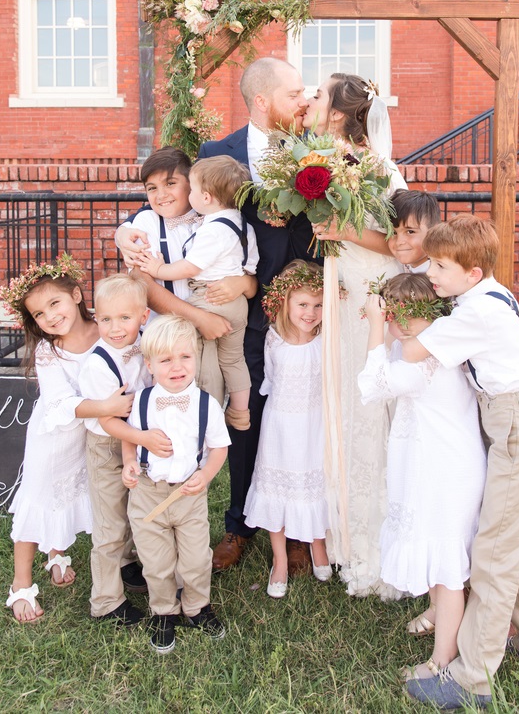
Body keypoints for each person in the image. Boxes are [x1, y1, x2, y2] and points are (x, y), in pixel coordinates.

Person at [400, 215, 519, 709]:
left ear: (471, 272)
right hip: (514, 418)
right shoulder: (486, 293)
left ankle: (471, 677)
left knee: (492, 553)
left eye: (440, 266)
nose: (431, 273)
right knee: (515, 539)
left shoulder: (474, 313)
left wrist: (386, 312)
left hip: (516, 426)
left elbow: (411, 353)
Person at [197, 57, 317, 574]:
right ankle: (240, 523)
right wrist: (127, 232)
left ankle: (297, 526)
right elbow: (179, 210)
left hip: (302, 316)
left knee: (301, 418)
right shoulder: (215, 153)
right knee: (245, 420)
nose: (305, 102)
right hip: (242, 316)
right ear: (264, 100)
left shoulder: (317, 153)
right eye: (295, 94)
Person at [303, 73, 405, 599]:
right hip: (340, 301)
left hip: (370, 305)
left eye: (319, 95)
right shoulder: (316, 162)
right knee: (342, 413)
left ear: (340, 114)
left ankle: (380, 548)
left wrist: (341, 231)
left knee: (370, 419)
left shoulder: (379, 170)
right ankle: (345, 537)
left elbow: (402, 243)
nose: (309, 100)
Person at [358, 273, 486, 685]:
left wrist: (375, 328)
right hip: (435, 461)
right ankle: (439, 616)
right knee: (437, 552)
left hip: (443, 470)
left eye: (392, 316)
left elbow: (373, 385)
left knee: (447, 567)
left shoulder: (422, 358)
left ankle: (443, 661)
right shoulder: (429, 341)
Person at [0, 255, 132, 623]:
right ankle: (20, 585)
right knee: (41, 500)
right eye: (39, 314)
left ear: (76, 295)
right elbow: (61, 402)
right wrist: (107, 404)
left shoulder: (106, 330)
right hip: (53, 440)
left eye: (54, 303)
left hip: (89, 439)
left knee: (74, 493)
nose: (50, 317)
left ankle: (57, 553)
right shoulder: (49, 350)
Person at [121, 315, 230, 654]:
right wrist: (128, 462)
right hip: (148, 493)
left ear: (196, 359)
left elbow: (219, 447)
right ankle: (164, 611)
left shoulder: (205, 404)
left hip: (188, 494)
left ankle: (197, 606)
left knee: (196, 558)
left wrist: (206, 474)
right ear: (150, 365)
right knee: (156, 561)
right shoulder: (142, 401)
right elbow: (131, 437)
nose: (177, 367)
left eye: (185, 357)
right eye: (166, 360)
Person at [114, 145, 256, 404]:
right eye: (152, 188)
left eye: (170, 183)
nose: (161, 195)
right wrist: (199, 318)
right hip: (167, 334)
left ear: (193, 187)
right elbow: (143, 285)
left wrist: (244, 282)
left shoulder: (211, 217)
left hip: (214, 331)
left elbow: (245, 270)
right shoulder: (145, 223)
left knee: (210, 395)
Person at [79, 273, 173, 627]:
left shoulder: (147, 343)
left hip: (137, 439)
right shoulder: (98, 364)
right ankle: (106, 601)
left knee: (136, 507)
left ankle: (127, 562)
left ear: (143, 317)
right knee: (110, 523)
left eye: (124, 318)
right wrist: (144, 438)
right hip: (108, 446)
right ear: (96, 318)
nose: (115, 328)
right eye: (105, 319)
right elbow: (108, 421)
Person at [244, 261, 331, 597]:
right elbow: (269, 381)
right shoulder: (274, 339)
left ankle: (318, 544)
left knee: (316, 484)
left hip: (314, 425)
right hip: (280, 426)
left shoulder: (326, 339)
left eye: (318, 305)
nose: (310, 313)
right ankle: (279, 559)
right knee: (278, 488)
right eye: (303, 304)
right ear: (286, 303)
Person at [388, 189, 441, 275]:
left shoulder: (440, 279)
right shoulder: (410, 268)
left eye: (410, 231)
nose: (399, 242)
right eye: (393, 233)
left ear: (433, 232)